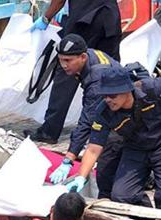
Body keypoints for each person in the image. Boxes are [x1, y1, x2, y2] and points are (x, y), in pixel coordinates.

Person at [38, 35, 123, 199]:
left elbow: (87, 120)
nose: (63, 65)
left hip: (123, 113)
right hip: (112, 105)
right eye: (61, 60)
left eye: (68, 60)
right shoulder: (88, 57)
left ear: (82, 57)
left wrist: (68, 159)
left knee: (106, 166)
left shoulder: (97, 77)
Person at [25, 0, 121, 143]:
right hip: (110, 18)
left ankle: (50, 131)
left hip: (85, 21)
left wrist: (46, 17)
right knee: (110, 72)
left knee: (67, 69)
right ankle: (117, 126)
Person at [66, 67, 161, 208]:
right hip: (135, 150)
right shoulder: (104, 111)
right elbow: (93, 149)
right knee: (121, 196)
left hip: (159, 145)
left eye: (113, 95)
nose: (108, 99)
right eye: (105, 95)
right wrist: (81, 177)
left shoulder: (152, 89)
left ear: (127, 90)